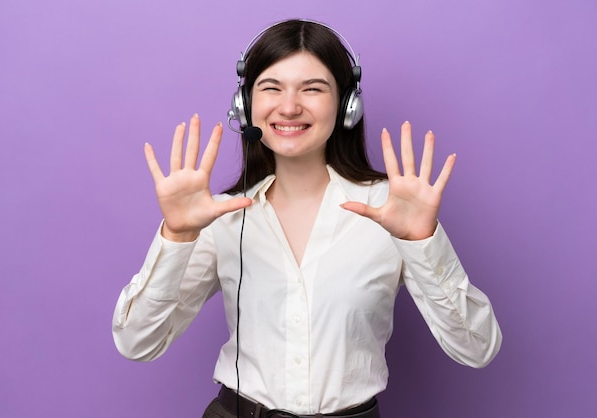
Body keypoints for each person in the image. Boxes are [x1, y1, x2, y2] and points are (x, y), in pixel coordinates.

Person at [112, 19, 502, 418]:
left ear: (347, 105)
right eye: (271, 87)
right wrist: (177, 235)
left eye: (312, 88)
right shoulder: (219, 218)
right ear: (245, 106)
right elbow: (137, 343)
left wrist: (423, 241)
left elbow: (477, 348)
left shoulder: (393, 211)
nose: (290, 106)